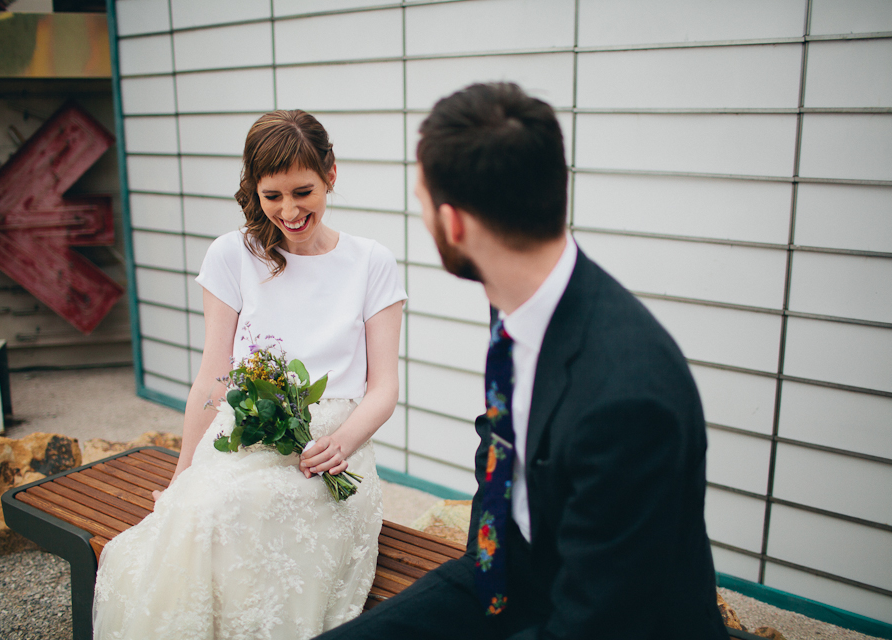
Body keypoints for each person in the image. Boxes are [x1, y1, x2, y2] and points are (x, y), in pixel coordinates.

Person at [317, 83, 729, 639]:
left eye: (421, 204)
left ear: (454, 225)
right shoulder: (516, 300)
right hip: (502, 574)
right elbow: (502, 454)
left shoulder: (628, 398)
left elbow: (600, 622)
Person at [92, 110, 407, 640]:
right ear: (254, 192)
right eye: (272, 196)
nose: (289, 210)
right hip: (242, 441)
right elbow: (213, 381)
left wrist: (343, 442)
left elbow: (385, 388)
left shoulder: (372, 262)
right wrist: (180, 477)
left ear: (332, 173)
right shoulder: (232, 255)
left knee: (236, 514)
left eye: (302, 191)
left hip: (329, 454)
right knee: (198, 513)